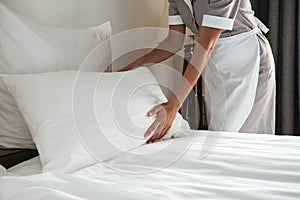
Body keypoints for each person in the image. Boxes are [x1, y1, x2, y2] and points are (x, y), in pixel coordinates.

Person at [118, 0, 276, 143]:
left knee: (243, 137)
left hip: (246, 56)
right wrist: (135, 65)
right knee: (220, 132)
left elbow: (206, 44)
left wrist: (173, 105)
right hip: (213, 61)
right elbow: (173, 42)